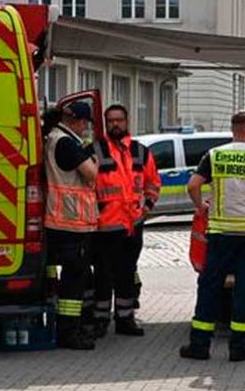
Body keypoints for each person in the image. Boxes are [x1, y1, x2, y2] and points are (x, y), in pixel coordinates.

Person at [180, 110, 245, 361]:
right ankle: (239, 348)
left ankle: (199, 345)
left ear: (232, 130)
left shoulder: (215, 155)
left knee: (209, 286)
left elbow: (193, 185)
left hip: (220, 233)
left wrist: (199, 206)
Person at [91, 104, 160, 338]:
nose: (116, 124)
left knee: (127, 273)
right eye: (111, 121)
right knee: (103, 274)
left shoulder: (141, 151)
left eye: (119, 120)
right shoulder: (95, 150)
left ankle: (125, 319)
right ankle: (100, 320)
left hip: (133, 225)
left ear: (127, 121)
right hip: (104, 226)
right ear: (105, 123)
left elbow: (153, 183)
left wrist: (147, 208)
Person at [44, 101, 99, 350]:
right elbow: (91, 174)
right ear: (80, 121)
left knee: (74, 277)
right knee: (73, 281)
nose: (87, 128)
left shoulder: (54, 137)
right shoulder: (67, 142)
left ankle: (72, 328)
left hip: (61, 220)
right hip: (71, 221)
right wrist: (93, 157)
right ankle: (69, 333)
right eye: (86, 123)